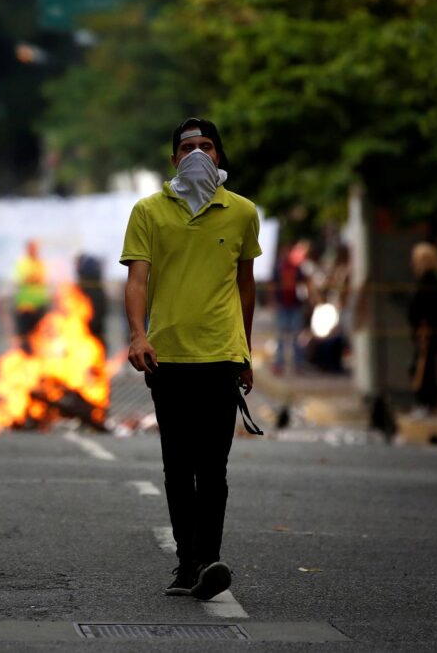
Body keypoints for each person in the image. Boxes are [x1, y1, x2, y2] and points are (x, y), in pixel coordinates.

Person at [121, 117, 262, 601]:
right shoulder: (148, 212)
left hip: (221, 355)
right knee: (178, 466)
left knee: (214, 466)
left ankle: (208, 560)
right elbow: (137, 280)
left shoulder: (242, 212)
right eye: (188, 147)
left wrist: (246, 351)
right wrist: (138, 336)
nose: (198, 154)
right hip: (168, 356)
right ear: (174, 158)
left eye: (207, 146)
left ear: (219, 156)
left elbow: (246, 286)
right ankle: (189, 562)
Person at [407, 242, 437, 414]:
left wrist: (424, 327)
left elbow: (424, 308)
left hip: (427, 333)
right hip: (429, 332)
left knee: (424, 369)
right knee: (424, 367)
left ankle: (426, 403)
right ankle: (426, 402)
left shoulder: (429, 282)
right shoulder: (435, 280)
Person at [272, 244, 308, 375]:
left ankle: (297, 365)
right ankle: (279, 364)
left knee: (297, 337)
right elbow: (273, 285)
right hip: (283, 305)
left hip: (295, 305)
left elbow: (304, 283)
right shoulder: (279, 268)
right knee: (281, 336)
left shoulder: (297, 268)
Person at [13, 239, 49, 352]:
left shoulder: (40, 263)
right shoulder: (22, 263)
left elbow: (42, 279)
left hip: (39, 304)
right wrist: (33, 278)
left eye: (36, 248)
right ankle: (25, 357)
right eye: (32, 248)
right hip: (25, 306)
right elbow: (21, 279)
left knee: (39, 334)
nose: (34, 250)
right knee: (25, 336)